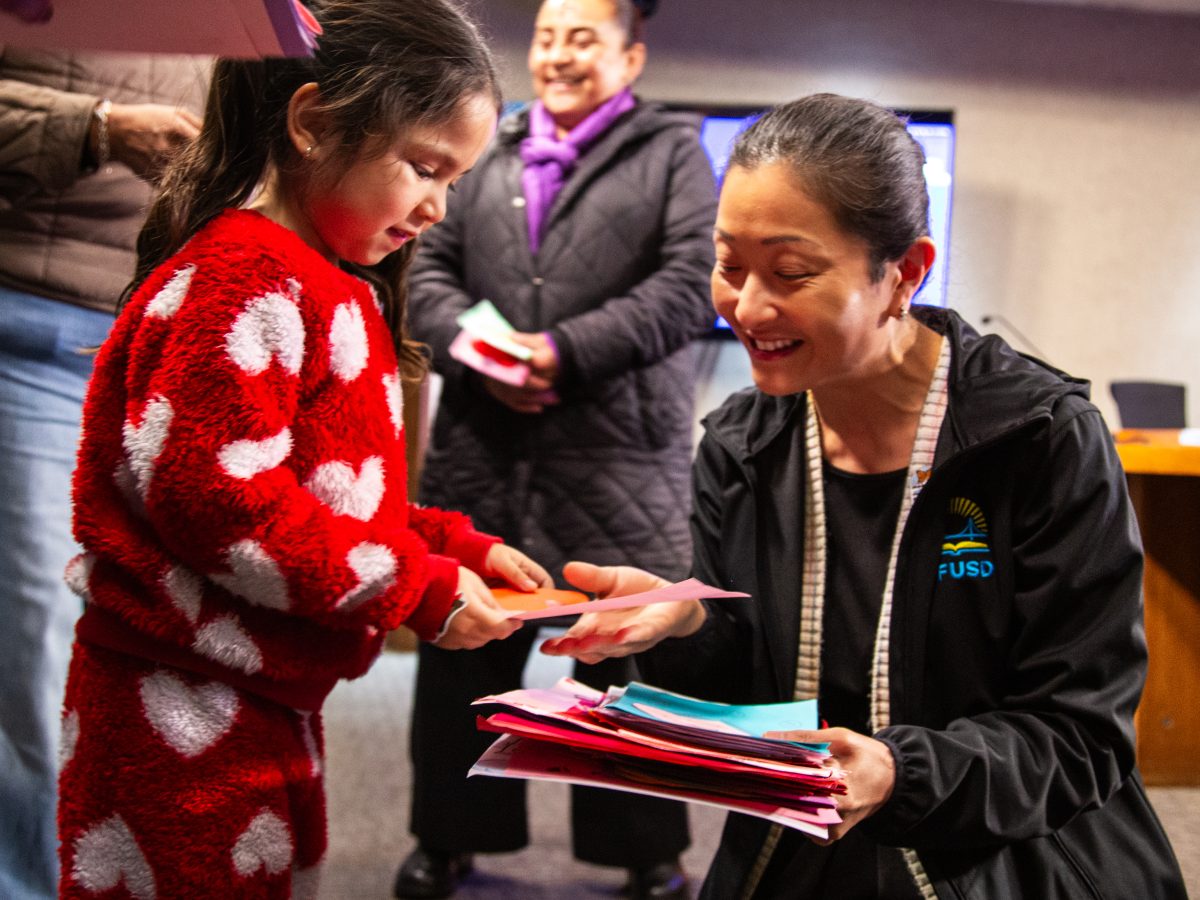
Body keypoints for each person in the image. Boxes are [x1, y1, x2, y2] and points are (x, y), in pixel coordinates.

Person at [540, 93, 1189, 898]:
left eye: (791, 273)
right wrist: (687, 623)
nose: (746, 307)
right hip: (801, 847)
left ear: (904, 274)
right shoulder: (744, 445)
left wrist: (898, 771)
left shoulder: (1040, 440)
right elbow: (751, 692)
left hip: (1004, 858)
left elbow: (1080, 735)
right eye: (728, 265)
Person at [55, 2, 554, 897]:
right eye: (423, 167)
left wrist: (451, 546)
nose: (438, 207)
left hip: (261, 695)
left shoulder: (330, 289)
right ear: (316, 121)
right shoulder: (241, 279)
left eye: (456, 178)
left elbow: (327, 499)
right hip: (175, 704)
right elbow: (221, 501)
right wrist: (415, 586)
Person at [397, 0, 716, 896]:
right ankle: (448, 836)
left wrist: (562, 353)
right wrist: (475, 349)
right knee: (466, 647)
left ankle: (646, 853)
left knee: (625, 662)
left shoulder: (672, 153)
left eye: (583, 38)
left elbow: (692, 285)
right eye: (546, 37)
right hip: (484, 447)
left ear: (631, 56)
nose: (558, 55)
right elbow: (426, 267)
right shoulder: (487, 141)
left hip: (618, 458)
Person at [0, 46, 207, 898]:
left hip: (169, 336)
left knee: (159, 649)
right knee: (34, 644)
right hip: (28, 322)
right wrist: (93, 130)